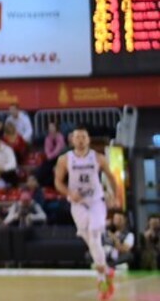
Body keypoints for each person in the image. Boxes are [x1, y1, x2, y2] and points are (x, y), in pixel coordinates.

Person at [55, 126, 119, 301]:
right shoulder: (64, 159)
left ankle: (102, 281)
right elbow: (58, 182)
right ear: (72, 140)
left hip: (96, 201)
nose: (81, 140)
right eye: (78, 137)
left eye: (84, 137)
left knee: (94, 233)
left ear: (89, 140)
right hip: (77, 203)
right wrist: (69, 192)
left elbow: (111, 177)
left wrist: (115, 196)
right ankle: (106, 271)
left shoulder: (98, 158)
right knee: (88, 237)